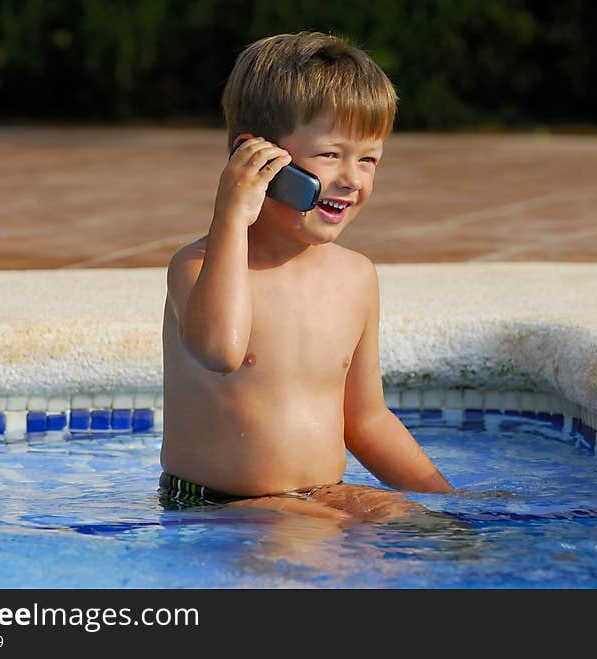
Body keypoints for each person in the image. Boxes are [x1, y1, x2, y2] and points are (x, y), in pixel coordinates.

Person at [160, 31, 454, 522]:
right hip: (220, 507)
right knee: (317, 551)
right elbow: (220, 349)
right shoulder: (197, 267)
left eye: (368, 159)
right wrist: (231, 215)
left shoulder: (356, 277)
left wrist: (449, 503)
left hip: (319, 496)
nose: (351, 179)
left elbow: (366, 420)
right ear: (254, 158)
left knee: (449, 541)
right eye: (329, 154)